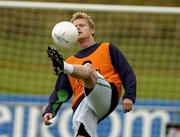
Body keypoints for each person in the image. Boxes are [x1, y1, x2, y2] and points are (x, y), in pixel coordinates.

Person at [42, 12, 136, 137]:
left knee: (88, 70)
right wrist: (50, 110)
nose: (78, 28)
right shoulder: (71, 61)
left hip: (107, 95)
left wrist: (129, 95)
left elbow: (127, 73)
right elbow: (61, 91)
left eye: (82, 25)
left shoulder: (107, 48)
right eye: (75, 26)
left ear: (92, 30)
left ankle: (65, 68)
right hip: (82, 104)